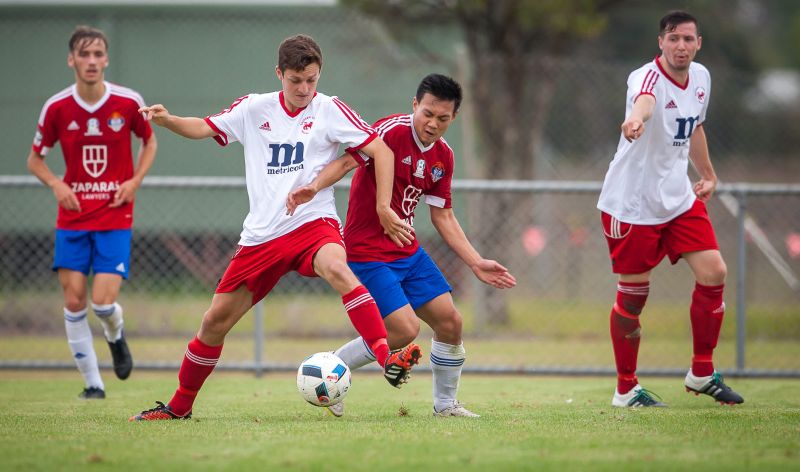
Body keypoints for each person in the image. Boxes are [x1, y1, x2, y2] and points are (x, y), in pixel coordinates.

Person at [129, 34, 421, 421]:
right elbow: (203, 126)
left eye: (311, 80)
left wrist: (384, 206)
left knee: (337, 267)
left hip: (313, 222)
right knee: (214, 322)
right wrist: (167, 121)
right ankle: (178, 407)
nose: (304, 89)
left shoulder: (330, 109)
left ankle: (386, 357)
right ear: (279, 73)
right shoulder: (253, 108)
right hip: (263, 236)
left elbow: (380, 150)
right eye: (296, 80)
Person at [286, 73, 516, 418]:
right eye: (427, 113)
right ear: (415, 105)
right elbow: (348, 161)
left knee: (451, 323)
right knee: (405, 330)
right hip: (367, 252)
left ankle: (446, 406)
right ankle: (331, 372)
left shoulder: (444, 157)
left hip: (408, 252)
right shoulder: (390, 132)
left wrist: (476, 261)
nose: (432, 123)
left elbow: (444, 217)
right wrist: (314, 187)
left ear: (453, 118)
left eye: (442, 118)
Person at [597, 11, 743, 407]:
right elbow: (643, 104)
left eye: (688, 39)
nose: (681, 46)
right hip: (632, 204)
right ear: (660, 42)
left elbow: (694, 126)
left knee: (714, 272)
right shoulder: (645, 77)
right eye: (674, 38)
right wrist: (634, 120)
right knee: (633, 296)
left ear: (699, 44)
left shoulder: (702, 78)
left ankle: (701, 372)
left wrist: (708, 174)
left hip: (678, 198)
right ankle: (625, 389)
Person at [27, 26, 157, 399]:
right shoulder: (56, 107)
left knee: (101, 303)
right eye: (84, 54)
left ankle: (115, 335)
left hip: (115, 216)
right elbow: (35, 159)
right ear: (71, 60)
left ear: (106, 59)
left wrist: (134, 181)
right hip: (72, 218)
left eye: (98, 54)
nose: (91, 61)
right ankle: (93, 385)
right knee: (72, 301)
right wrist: (57, 184)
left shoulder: (128, 102)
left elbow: (149, 142)